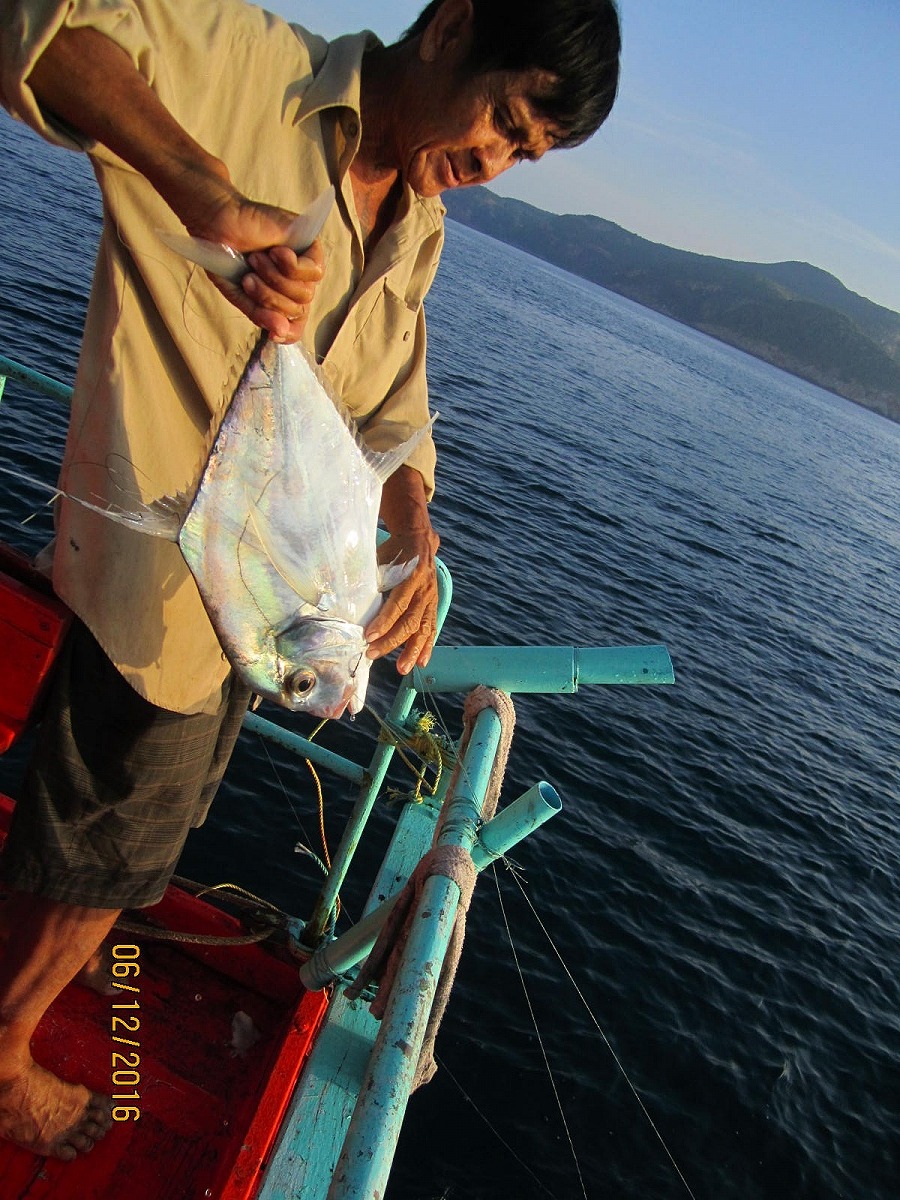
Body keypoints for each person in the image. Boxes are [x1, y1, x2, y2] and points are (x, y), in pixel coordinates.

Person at [0, 0, 620, 1161]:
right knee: (108, 850)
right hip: (158, 575)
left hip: (265, 605)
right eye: (502, 121)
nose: (492, 165)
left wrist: (415, 528)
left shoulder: (419, 224)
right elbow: (40, 26)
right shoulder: (252, 72)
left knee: (129, 841)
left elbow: (391, 412)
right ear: (451, 28)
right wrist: (211, 200)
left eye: (522, 157)